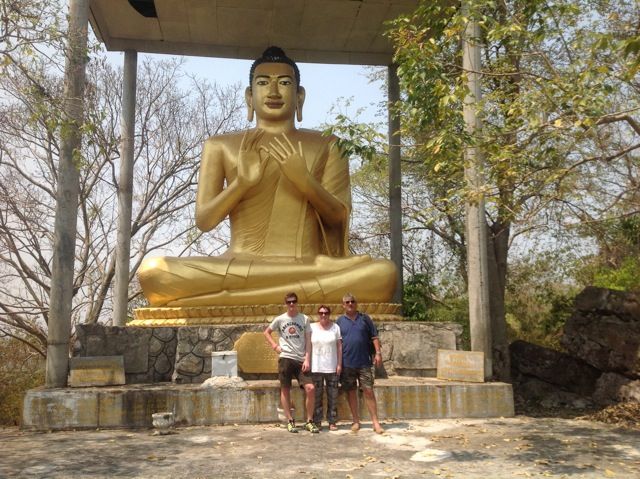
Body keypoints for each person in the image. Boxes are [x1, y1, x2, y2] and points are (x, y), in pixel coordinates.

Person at [137, 46, 397, 307]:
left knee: (383, 274)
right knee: (155, 270)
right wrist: (241, 183)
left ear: (299, 96)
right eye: (263, 83)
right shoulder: (220, 145)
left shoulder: (328, 145)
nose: (273, 92)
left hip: (306, 264)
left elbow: (338, 216)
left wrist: (304, 181)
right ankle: (290, 296)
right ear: (250, 96)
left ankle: (231, 299)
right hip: (239, 264)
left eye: (284, 83)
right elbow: (205, 220)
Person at [263, 292, 319, 433]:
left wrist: (307, 358)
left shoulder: (304, 319)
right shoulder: (280, 319)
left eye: (294, 301)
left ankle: (309, 421)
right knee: (285, 389)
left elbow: (308, 340)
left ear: (297, 302)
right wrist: (275, 347)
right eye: (289, 302)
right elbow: (266, 332)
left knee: (310, 388)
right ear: (286, 304)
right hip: (286, 357)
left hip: (301, 359)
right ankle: (289, 420)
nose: (292, 304)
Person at [336, 292, 384, 434]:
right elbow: (337, 343)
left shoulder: (365, 319)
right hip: (347, 362)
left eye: (352, 301)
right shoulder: (339, 322)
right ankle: (356, 420)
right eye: (347, 302)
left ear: (356, 303)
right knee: (351, 391)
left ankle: (375, 422)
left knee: (368, 391)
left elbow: (374, 336)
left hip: (364, 362)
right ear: (343, 305)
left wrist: (378, 353)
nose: (350, 304)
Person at [310, 305, 342, 431]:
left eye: (326, 313)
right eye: (321, 313)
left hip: (331, 366)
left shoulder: (335, 327)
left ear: (329, 314)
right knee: (317, 395)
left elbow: (339, 347)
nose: (323, 315)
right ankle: (317, 420)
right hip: (316, 366)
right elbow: (307, 345)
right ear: (318, 314)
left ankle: (332, 421)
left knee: (333, 395)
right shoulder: (311, 327)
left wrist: (339, 364)